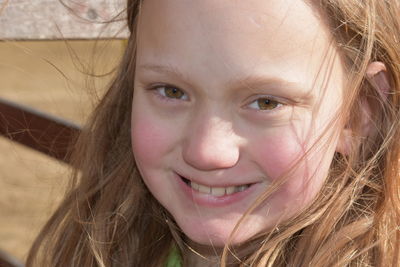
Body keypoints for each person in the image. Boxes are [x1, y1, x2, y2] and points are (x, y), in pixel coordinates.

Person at [27, 0, 400, 266]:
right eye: (172, 91)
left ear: (359, 111)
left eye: (266, 103)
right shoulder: (115, 246)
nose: (206, 151)